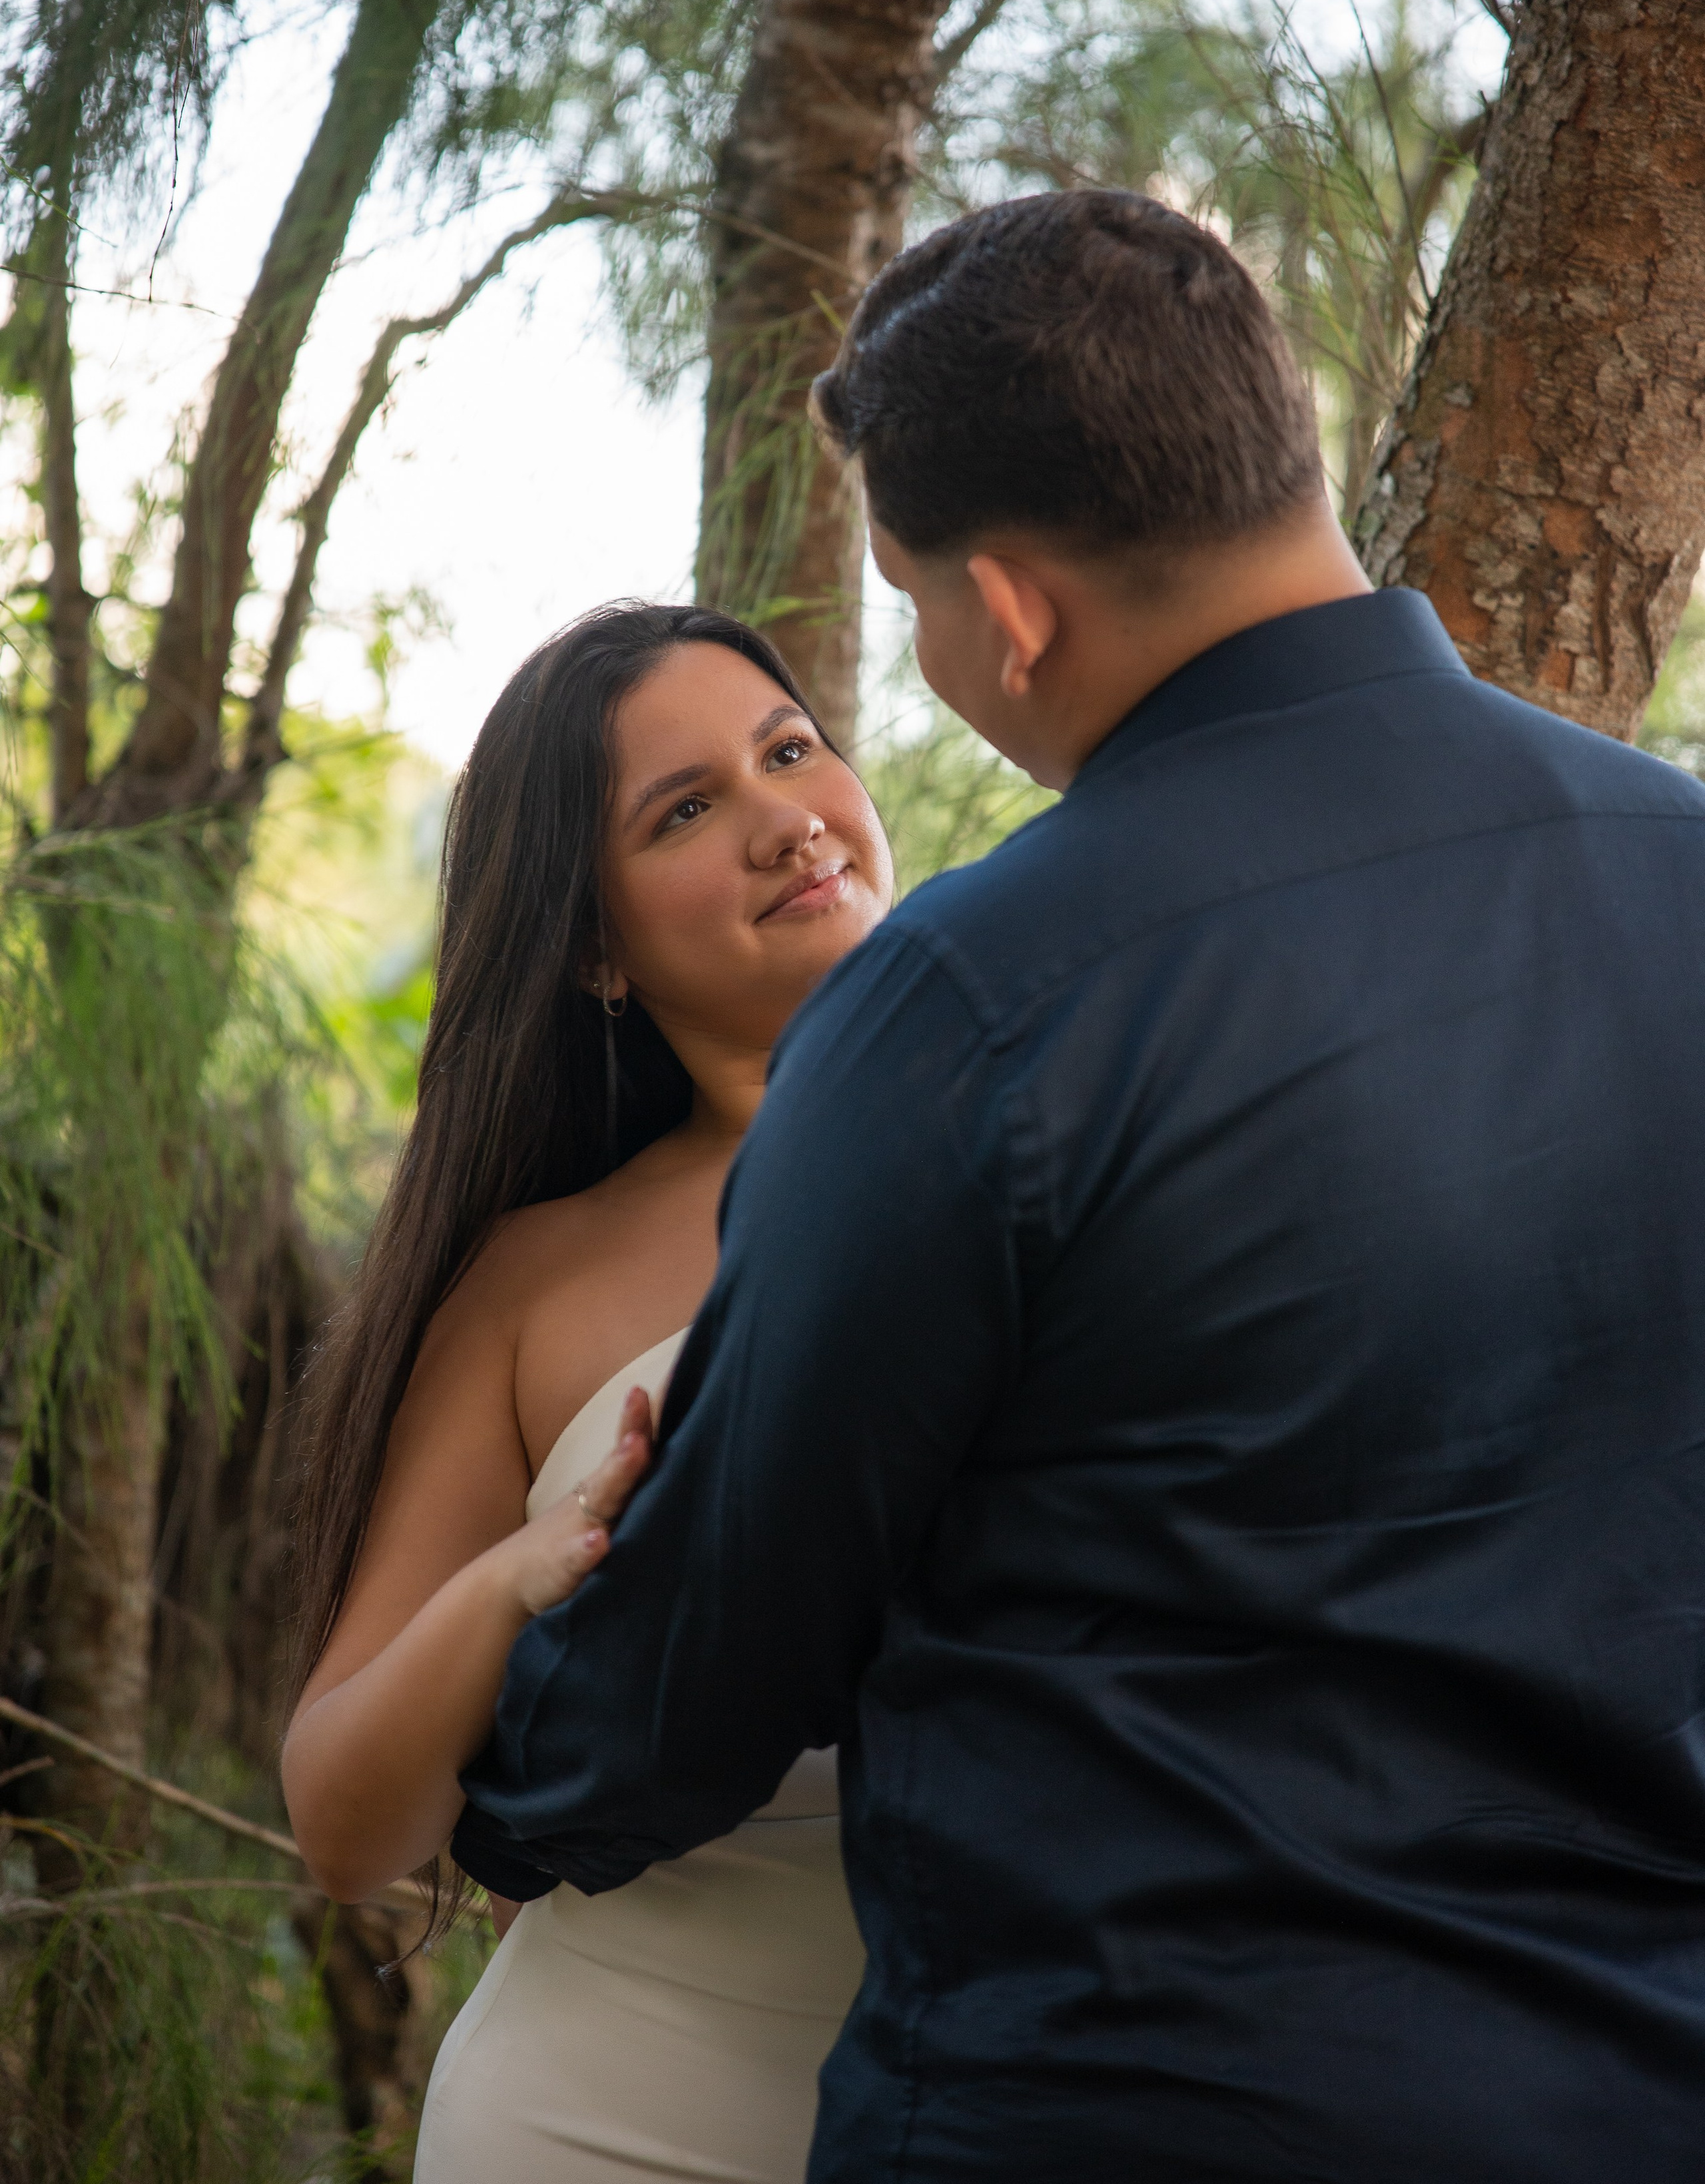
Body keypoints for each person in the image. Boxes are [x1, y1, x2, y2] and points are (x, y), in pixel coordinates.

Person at [453, 189, 1705, 2183]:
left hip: (1122, 2103)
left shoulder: (977, 999)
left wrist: (506, 1787)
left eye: (918, 608)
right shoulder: (1683, 872)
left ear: (1009, 607)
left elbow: (702, 1672)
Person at [281, 603, 894, 2182]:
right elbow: (347, 1828)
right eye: (685, 810)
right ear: (593, 947)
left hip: (1042, 2090)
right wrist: (517, 1581)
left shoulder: (1084, 1129)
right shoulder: (532, 1284)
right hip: (614, 2116)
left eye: (787, 751)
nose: (781, 820)